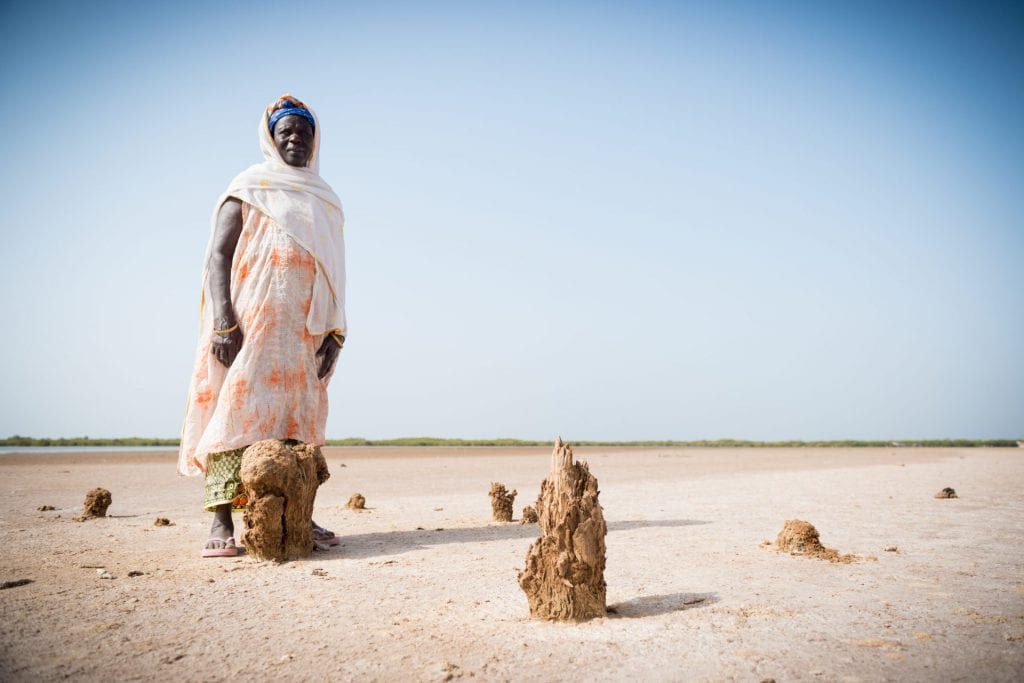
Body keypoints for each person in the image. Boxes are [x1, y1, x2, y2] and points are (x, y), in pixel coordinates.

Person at [178, 94, 347, 557]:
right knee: (235, 413)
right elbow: (218, 255)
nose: (295, 138)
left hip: (303, 331)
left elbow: (336, 272)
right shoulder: (248, 187)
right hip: (248, 323)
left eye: (303, 131)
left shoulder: (325, 199)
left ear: (315, 140)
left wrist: (335, 332)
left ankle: (299, 515)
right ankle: (221, 521)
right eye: (285, 131)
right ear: (270, 138)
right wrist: (223, 320)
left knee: (299, 424)